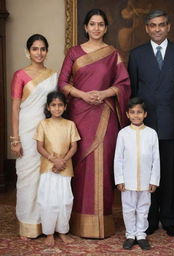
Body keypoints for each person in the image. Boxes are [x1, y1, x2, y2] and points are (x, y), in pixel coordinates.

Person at [58, 8, 131, 238]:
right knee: (81, 163)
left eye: (101, 24)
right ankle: (79, 221)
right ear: (85, 27)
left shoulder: (112, 53)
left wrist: (104, 93)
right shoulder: (74, 53)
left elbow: (123, 84)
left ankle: (102, 222)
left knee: (104, 166)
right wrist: (82, 95)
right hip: (79, 114)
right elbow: (62, 83)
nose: (96, 28)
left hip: (106, 113)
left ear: (106, 28)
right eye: (92, 24)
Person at [128, 10, 174, 236]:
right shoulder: (136, 54)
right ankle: (149, 218)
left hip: (171, 123)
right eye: (153, 25)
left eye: (162, 25)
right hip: (144, 125)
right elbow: (133, 90)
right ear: (147, 28)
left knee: (166, 172)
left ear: (168, 27)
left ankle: (168, 219)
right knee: (146, 171)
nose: (157, 29)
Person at [10, 34, 57, 240]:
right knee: (27, 177)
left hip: (47, 132)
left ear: (47, 51)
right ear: (28, 51)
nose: (39, 53)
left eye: (43, 48)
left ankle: (45, 224)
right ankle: (27, 224)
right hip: (26, 131)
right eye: (35, 49)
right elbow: (14, 108)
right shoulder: (20, 75)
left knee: (46, 179)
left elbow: (56, 106)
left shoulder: (52, 76)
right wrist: (15, 139)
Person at [34, 91, 80, 246]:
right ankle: (48, 233)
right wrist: (53, 159)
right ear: (48, 107)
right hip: (48, 168)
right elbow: (39, 146)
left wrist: (63, 161)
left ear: (65, 107)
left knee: (65, 200)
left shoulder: (70, 125)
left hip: (65, 168)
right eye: (53, 105)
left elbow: (74, 146)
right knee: (48, 201)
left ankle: (63, 231)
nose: (57, 108)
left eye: (60, 105)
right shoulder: (43, 124)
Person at [114, 97, 160, 250]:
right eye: (132, 112)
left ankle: (140, 234)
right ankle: (130, 235)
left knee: (143, 207)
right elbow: (118, 158)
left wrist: (154, 180)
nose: (136, 115)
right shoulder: (123, 134)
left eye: (139, 112)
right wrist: (119, 179)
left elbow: (156, 159)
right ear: (127, 114)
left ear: (145, 114)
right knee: (128, 208)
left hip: (146, 180)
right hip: (128, 180)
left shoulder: (151, 133)